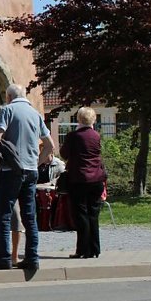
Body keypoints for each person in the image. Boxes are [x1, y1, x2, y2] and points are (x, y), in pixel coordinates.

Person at [0, 83, 55, 271]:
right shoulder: (36, 114)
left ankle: (4, 258)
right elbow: (50, 146)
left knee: (3, 215)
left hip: (10, 171)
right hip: (31, 171)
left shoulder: (7, 110)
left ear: (8, 97)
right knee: (29, 216)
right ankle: (32, 257)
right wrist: (36, 163)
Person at [60, 106, 107, 259]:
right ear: (93, 119)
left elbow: (64, 154)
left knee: (80, 215)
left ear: (79, 119)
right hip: (97, 179)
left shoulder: (73, 136)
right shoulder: (96, 135)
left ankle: (82, 250)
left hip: (79, 179)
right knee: (93, 214)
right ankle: (95, 248)